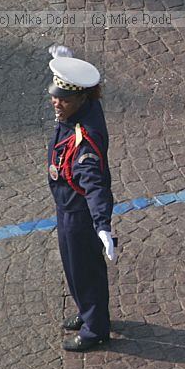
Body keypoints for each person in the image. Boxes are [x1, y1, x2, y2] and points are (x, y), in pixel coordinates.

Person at [46, 46, 116, 351]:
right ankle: (89, 312)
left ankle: (95, 329)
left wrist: (102, 224)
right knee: (73, 267)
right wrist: (65, 62)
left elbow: (95, 186)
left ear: (81, 99)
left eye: (64, 100)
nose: (56, 104)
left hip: (79, 211)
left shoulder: (84, 141)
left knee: (84, 270)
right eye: (56, 96)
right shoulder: (85, 106)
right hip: (67, 206)